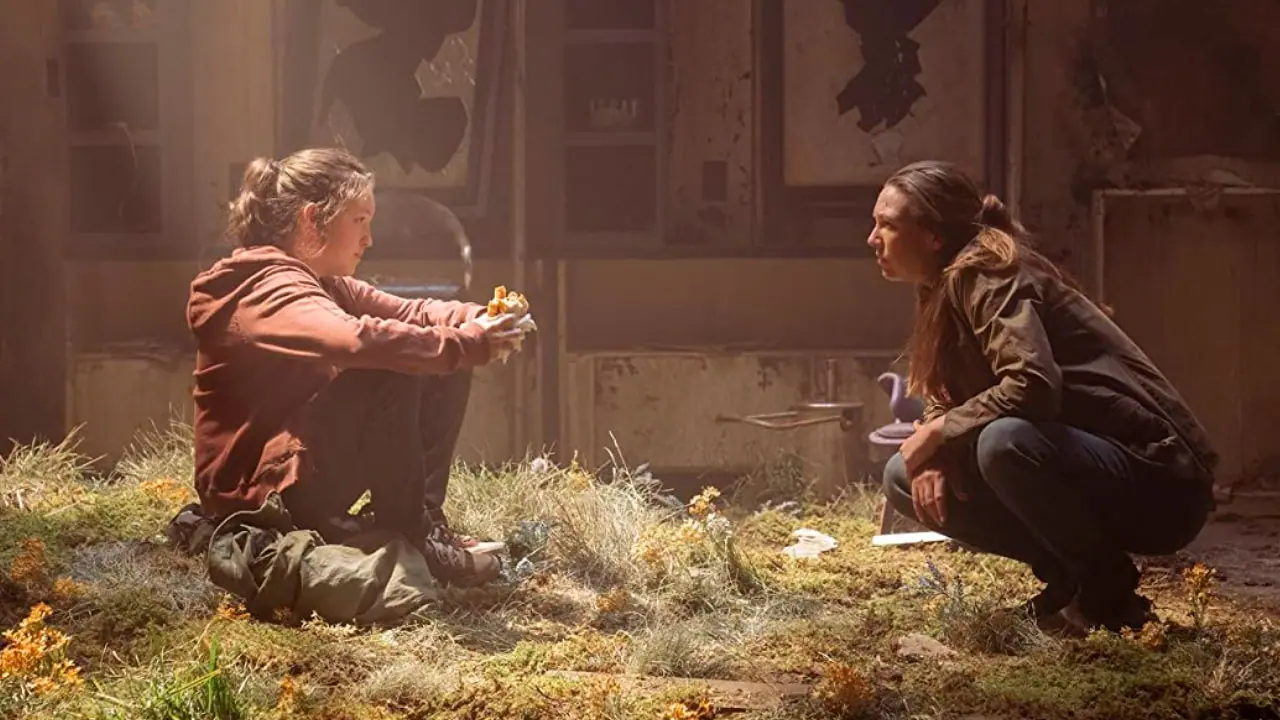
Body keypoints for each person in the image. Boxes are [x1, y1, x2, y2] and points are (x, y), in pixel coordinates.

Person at [871, 160, 1218, 634]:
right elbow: (946, 391)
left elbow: (1032, 384)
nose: (873, 238)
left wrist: (938, 433)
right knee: (903, 475)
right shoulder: (942, 284)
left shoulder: (988, 276)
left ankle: (1107, 590)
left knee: (1004, 442)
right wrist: (936, 450)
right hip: (1087, 464)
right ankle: (1070, 581)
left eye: (887, 225)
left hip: (1162, 485)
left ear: (933, 235)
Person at [186, 147, 527, 589]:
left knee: (436, 354)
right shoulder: (263, 289)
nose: (369, 239)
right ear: (313, 219)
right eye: (360, 220)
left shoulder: (320, 282)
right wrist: (468, 342)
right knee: (388, 366)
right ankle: (413, 536)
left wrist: (480, 319)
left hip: (294, 470)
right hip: (256, 497)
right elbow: (355, 340)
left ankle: (426, 523)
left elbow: (413, 313)